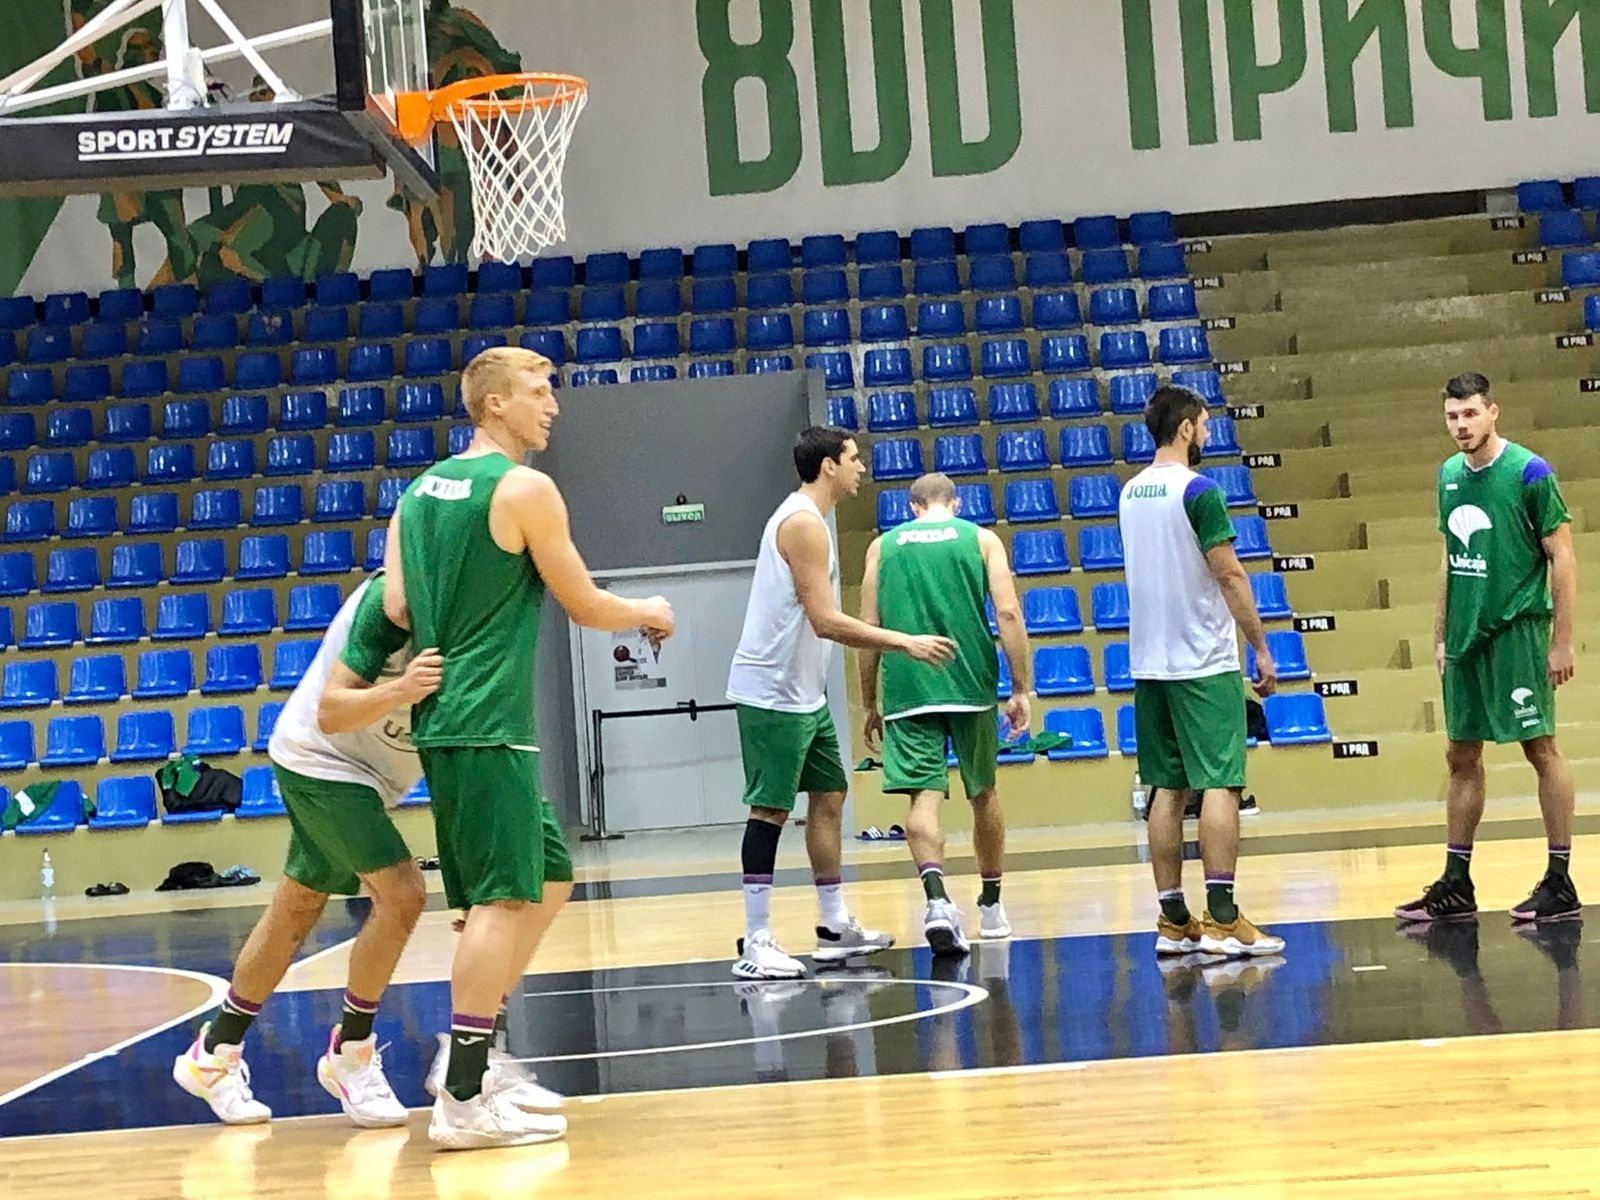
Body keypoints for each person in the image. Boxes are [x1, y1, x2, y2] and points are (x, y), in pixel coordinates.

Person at [383, 346, 674, 1150]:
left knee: (547, 877)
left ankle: (468, 1055)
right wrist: (648, 606)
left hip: (448, 720)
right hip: (488, 721)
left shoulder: (417, 493)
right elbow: (581, 604)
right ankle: (464, 1100)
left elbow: (399, 605)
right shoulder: (525, 489)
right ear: (494, 405)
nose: (552, 406)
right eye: (539, 393)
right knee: (502, 903)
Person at [171, 573, 438, 1127]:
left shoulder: (475, 616)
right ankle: (351, 1052)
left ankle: (214, 1053)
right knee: (403, 895)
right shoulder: (388, 604)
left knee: (297, 907)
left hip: (370, 777)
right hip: (322, 759)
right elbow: (333, 710)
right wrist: (401, 690)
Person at [726, 427, 956, 980]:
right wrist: (904, 641)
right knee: (771, 810)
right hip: (772, 692)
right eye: (854, 459)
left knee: (830, 796)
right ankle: (756, 940)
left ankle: (832, 925)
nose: (861, 469)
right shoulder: (803, 524)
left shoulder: (815, 521)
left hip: (805, 691)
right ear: (829, 466)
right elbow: (826, 621)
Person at [1395, 372, 1579, 925]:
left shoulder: (1530, 472)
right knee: (1460, 754)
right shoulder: (1449, 475)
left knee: (1539, 747)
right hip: (1466, 637)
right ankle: (1456, 881)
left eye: (1470, 414)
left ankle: (1561, 878)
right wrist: (1440, 633)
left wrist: (1562, 639)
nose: (1461, 426)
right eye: (1452, 416)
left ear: (1492, 412)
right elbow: (1452, 560)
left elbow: (1563, 559)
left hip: (1518, 629)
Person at [1118, 385, 1284, 958]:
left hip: (1149, 661)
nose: (1208, 436)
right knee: (1221, 781)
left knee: (1165, 785)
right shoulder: (1200, 491)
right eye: (1205, 426)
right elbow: (1230, 575)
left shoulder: (1130, 492)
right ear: (1187, 428)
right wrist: (1260, 645)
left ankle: (1173, 920)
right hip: (1202, 659)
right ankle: (1221, 918)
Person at [857, 472, 1031, 954]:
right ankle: (991, 908)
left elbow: (868, 627)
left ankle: (937, 902)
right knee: (984, 791)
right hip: (970, 680)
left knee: (922, 800)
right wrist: (1020, 688)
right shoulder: (980, 539)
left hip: (908, 685)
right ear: (955, 503)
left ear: (912, 508)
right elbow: (1009, 613)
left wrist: (869, 701)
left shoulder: (881, 548)